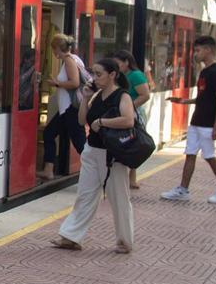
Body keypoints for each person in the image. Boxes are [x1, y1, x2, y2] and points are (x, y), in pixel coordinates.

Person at [49, 58, 137, 253]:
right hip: (92, 151)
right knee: (85, 194)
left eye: (99, 74)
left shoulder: (122, 96)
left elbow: (128, 120)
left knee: (118, 197)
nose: (95, 78)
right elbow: (82, 120)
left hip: (114, 155)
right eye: (94, 74)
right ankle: (71, 237)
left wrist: (103, 122)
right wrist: (86, 97)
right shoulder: (95, 95)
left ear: (112, 75)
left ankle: (125, 240)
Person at [161, 35, 216, 204]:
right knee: (190, 154)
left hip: (208, 123)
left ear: (208, 50)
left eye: (199, 50)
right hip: (197, 121)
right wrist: (184, 101)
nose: (196, 53)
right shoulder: (204, 72)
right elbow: (204, 97)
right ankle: (183, 189)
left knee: (209, 156)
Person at [37, 34, 87, 181]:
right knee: (49, 134)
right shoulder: (75, 59)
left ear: (58, 48)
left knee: (80, 143)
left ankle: (96, 172)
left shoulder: (69, 60)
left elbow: (75, 83)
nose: (53, 52)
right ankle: (48, 170)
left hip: (71, 109)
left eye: (53, 49)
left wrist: (56, 83)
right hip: (66, 110)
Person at [112, 50, 151, 189]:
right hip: (124, 112)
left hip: (133, 113)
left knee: (132, 142)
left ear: (126, 62)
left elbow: (145, 95)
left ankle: (131, 178)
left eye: (118, 63)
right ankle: (128, 178)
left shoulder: (135, 75)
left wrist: (128, 107)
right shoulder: (121, 75)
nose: (116, 66)